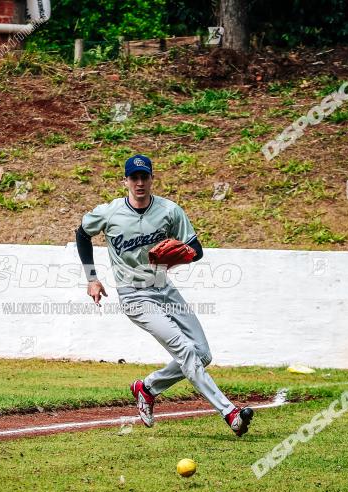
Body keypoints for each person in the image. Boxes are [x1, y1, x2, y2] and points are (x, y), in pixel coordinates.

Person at [75, 154, 254, 437]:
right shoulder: (109, 213)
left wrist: (178, 258)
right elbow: (82, 234)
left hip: (164, 289)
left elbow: (197, 249)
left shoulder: (169, 211)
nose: (139, 183)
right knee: (184, 350)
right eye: (133, 178)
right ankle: (230, 413)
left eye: (144, 177)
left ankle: (147, 388)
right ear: (125, 181)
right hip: (135, 297)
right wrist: (92, 279)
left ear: (152, 179)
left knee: (202, 354)